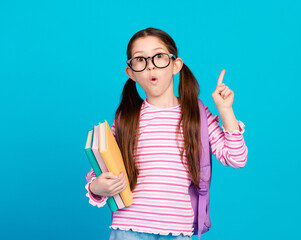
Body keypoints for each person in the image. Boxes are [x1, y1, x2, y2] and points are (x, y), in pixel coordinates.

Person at [85, 27, 248, 240]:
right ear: (131, 72)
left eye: (159, 56)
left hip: (178, 230)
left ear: (175, 65)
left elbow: (236, 158)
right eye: (140, 60)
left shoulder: (197, 114)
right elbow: (98, 170)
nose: (150, 65)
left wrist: (226, 110)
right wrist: (98, 187)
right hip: (128, 228)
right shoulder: (126, 118)